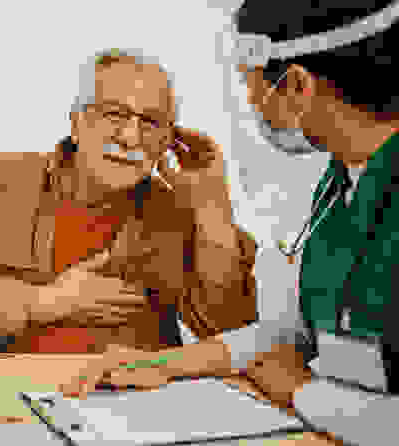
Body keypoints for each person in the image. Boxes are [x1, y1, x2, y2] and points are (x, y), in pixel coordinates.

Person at [60, 2, 399, 445]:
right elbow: (297, 335)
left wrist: (304, 392)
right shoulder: (339, 184)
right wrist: (162, 365)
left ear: (297, 86)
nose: (253, 103)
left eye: (251, 86)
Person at [0, 48, 259, 354]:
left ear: (169, 139)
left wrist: (213, 208)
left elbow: (229, 333)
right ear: (76, 122)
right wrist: (47, 302)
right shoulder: (0, 179)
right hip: (4, 398)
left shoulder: (177, 210)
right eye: (114, 114)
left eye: (151, 122)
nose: (130, 137)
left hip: (130, 405)